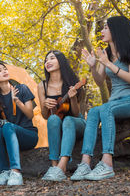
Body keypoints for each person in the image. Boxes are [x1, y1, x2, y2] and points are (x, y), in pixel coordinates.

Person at [71, 15, 130, 181]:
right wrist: (93, 66)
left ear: (116, 30)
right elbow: (99, 81)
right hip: (115, 103)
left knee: (104, 108)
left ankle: (107, 163)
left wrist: (108, 64)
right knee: (93, 112)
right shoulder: (105, 53)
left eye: (106, 27)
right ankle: (85, 163)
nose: (102, 31)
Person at [0, 62, 38, 186]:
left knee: (8, 126)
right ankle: (5, 171)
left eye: (5, 69)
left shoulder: (22, 88)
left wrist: (17, 100)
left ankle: (16, 171)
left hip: (28, 136)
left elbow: (30, 115)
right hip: (9, 139)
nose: (4, 71)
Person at [38, 50, 86, 181]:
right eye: (46, 60)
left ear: (61, 61)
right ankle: (54, 167)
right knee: (53, 118)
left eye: (52, 58)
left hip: (76, 123)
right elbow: (45, 116)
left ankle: (62, 166)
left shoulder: (72, 81)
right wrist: (44, 105)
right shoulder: (42, 86)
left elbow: (76, 113)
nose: (48, 62)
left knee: (69, 120)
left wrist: (73, 98)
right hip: (58, 125)